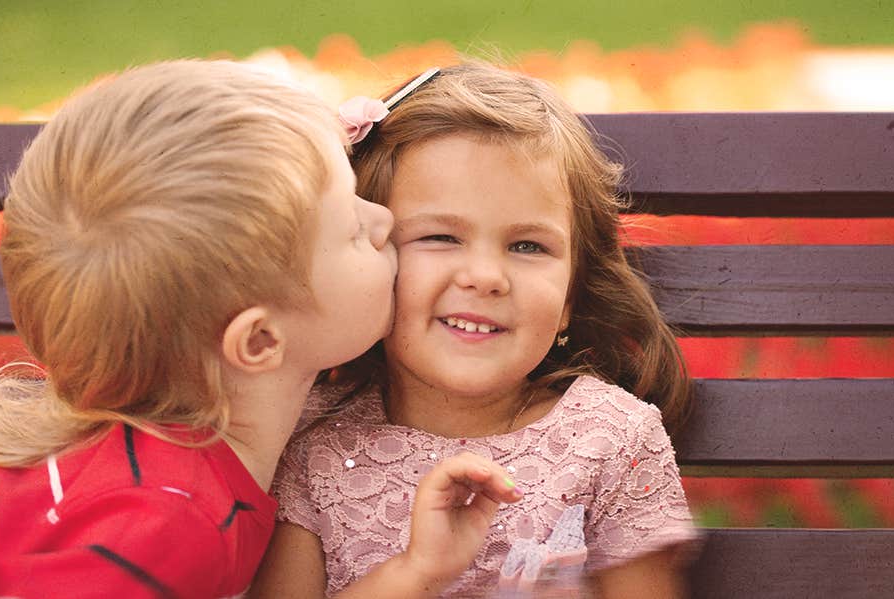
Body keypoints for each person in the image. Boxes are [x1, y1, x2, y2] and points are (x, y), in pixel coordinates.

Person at [0, 61, 522, 599]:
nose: (385, 218)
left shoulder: (159, 458)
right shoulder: (170, 518)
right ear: (257, 342)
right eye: (352, 227)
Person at [254, 63, 701, 599]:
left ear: (570, 298)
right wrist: (416, 573)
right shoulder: (313, 440)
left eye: (528, 246)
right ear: (368, 255)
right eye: (441, 236)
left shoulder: (611, 439)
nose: (486, 277)